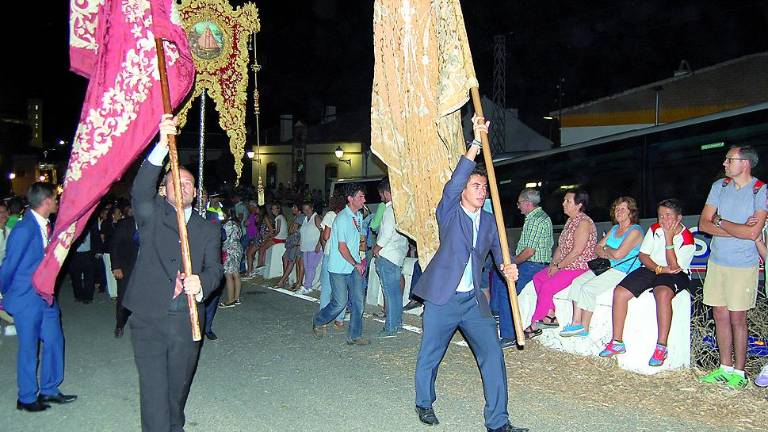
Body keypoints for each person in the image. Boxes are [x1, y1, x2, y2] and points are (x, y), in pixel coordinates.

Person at [412, 115, 524, 432]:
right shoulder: (449, 211)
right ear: (463, 191)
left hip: (474, 302)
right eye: (476, 186)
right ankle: (424, 402)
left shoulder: (490, 222)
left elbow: (502, 254)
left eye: (485, 187)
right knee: (430, 355)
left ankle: (498, 422)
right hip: (442, 299)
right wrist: (476, 141)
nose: (482, 191)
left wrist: (508, 266)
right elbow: (455, 180)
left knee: (492, 357)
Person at [121, 115, 223, 431]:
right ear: (164, 191)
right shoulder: (151, 216)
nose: (183, 186)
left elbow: (215, 270)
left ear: (197, 191)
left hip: (186, 318)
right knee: (153, 390)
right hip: (149, 317)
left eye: (189, 182)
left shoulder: (207, 229)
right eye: (174, 182)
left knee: (176, 390)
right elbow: (140, 190)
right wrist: (162, 146)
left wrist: (202, 283)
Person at [0, 182, 77, 412]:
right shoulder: (24, 230)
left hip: (45, 296)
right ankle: (26, 397)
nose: (57, 201)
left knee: (54, 341)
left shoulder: (47, 225)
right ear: (46, 202)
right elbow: (9, 265)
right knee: (29, 347)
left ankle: (50, 389)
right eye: (55, 198)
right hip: (26, 298)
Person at [698, 145, 767, 389]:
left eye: (730, 159)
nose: (725, 163)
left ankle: (740, 373)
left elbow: (754, 233)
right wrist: (738, 229)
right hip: (716, 261)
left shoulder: (760, 190)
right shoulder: (720, 186)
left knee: (738, 317)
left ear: (745, 163)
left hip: (742, 265)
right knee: (719, 315)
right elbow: (704, 225)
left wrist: (721, 220)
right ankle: (724, 367)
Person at [599, 199, 695, 367]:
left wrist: (669, 239)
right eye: (660, 216)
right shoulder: (654, 229)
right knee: (620, 292)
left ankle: (661, 346)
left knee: (662, 293)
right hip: (653, 268)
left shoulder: (687, 239)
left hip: (675, 272)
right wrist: (658, 268)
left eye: (668, 216)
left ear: (679, 218)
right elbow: (643, 255)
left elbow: (674, 266)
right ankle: (617, 342)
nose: (663, 220)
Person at [560, 197, 643, 337]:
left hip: (622, 270)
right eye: (617, 209)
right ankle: (575, 323)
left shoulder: (635, 231)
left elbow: (618, 255)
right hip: (607, 265)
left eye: (623, 209)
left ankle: (584, 328)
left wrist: (607, 249)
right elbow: (597, 247)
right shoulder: (615, 228)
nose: (619, 211)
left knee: (588, 288)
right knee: (577, 282)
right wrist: (607, 252)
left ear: (631, 212)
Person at [524, 190, 597, 339]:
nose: (563, 203)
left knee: (547, 287)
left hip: (579, 267)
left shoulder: (583, 222)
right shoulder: (570, 221)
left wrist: (559, 267)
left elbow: (577, 251)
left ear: (579, 205)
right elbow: (561, 246)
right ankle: (550, 315)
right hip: (565, 264)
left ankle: (535, 323)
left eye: (568, 201)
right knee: (538, 278)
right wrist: (553, 264)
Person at [312, 183, 370, 345]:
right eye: (361, 196)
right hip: (339, 268)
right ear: (350, 199)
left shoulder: (357, 216)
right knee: (339, 303)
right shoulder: (343, 218)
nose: (364, 199)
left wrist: (361, 257)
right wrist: (355, 263)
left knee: (358, 301)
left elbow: (358, 239)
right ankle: (318, 319)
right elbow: (342, 247)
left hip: (354, 265)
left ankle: (355, 335)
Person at [496, 188, 553, 348]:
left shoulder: (535, 220)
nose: (518, 206)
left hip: (533, 265)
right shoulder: (537, 218)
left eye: (520, 203)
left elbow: (529, 251)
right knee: (500, 280)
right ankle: (498, 315)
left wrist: (513, 263)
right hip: (533, 264)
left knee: (506, 288)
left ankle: (509, 335)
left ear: (528, 204)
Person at [372, 176, 409, 338]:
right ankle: (397, 324)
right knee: (395, 293)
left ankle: (391, 327)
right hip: (398, 254)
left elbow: (386, 233)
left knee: (389, 292)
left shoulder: (389, 209)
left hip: (388, 255)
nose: (381, 197)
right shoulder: (402, 209)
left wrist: (376, 248)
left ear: (387, 193)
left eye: (382, 194)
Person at [110, 204, 139, 338]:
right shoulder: (125, 224)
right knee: (124, 298)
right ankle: (120, 324)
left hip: (146, 268)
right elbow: (114, 245)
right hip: (126, 268)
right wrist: (116, 266)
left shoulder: (152, 224)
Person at [318, 195, 346, 329]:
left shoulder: (330, 215)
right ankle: (340, 319)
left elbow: (326, 236)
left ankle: (324, 317)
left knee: (326, 288)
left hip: (330, 254)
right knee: (340, 288)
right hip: (343, 255)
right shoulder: (347, 216)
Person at [296, 201, 323, 295]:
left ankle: (307, 286)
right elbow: (302, 233)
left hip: (314, 247)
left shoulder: (316, 217)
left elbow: (322, 231)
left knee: (311, 267)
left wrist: (319, 245)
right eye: (304, 209)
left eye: (308, 209)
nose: (306, 211)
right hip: (306, 247)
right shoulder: (305, 219)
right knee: (307, 267)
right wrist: (300, 244)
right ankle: (308, 286)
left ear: (312, 208)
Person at [219, 207, 244, 307]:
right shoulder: (236, 223)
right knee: (236, 274)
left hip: (230, 250)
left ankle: (230, 300)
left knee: (228, 275)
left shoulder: (228, 224)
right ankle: (236, 297)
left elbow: (224, 238)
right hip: (237, 248)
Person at [255, 203, 286, 270]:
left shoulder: (278, 218)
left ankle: (260, 264)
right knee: (264, 245)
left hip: (279, 239)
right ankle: (262, 263)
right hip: (281, 238)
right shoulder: (281, 217)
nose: (273, 210)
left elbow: (277, 230)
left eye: (275, 208)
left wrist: (271, 236)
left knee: (262, 247)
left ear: (278, 209)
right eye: (272, 209)